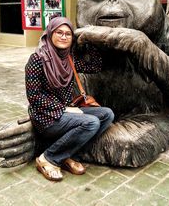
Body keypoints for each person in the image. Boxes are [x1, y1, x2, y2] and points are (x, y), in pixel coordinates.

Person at [25, 16, 114, 181]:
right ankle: (49, 158)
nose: (64, 36)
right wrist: (64, 109)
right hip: (45, 116)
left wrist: (90, 41)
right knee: (91, 122)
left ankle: (66, 154)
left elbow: (95, 66)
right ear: (50, 33)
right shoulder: (37, 59)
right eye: (59, 32)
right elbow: (34, 97)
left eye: (68, 34)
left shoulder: (69, 59)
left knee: (107, 114)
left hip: (66, 112)